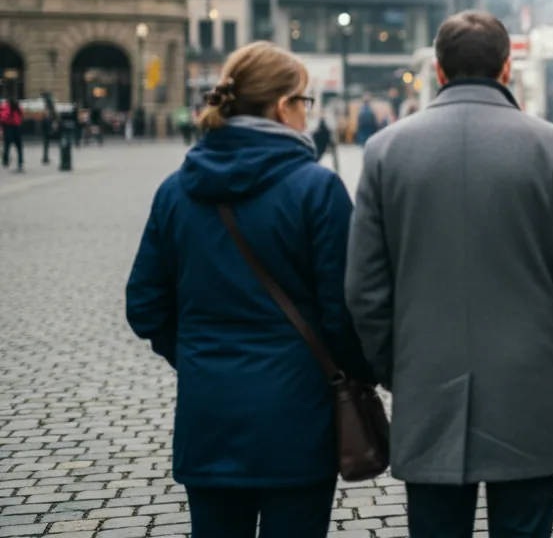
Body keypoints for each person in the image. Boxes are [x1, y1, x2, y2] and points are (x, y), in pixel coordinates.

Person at [345, 11, 553, 538]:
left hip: (427, 380)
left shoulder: (385, 151)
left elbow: (364, 289)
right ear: (507, 67)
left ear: (439, 71)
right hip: (528, 382)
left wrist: (396, 365)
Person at [126, 42, 375, 538]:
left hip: (209, 416)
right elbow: (344, 311)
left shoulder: (176, 190)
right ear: (283, 106)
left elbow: (145, 305)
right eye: (304, 101)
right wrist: (359, 375)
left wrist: (196, 353)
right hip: (298, 418)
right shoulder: (316, 189)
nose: (308, 113)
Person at [0, 94, 23, 173]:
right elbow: (20, 116)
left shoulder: (7, 106)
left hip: (10, 127)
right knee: (17, 146)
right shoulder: (16, 107)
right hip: (14, 127)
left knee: (8, 145)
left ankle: (6, 160)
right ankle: (18, 162)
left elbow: (3, 117)